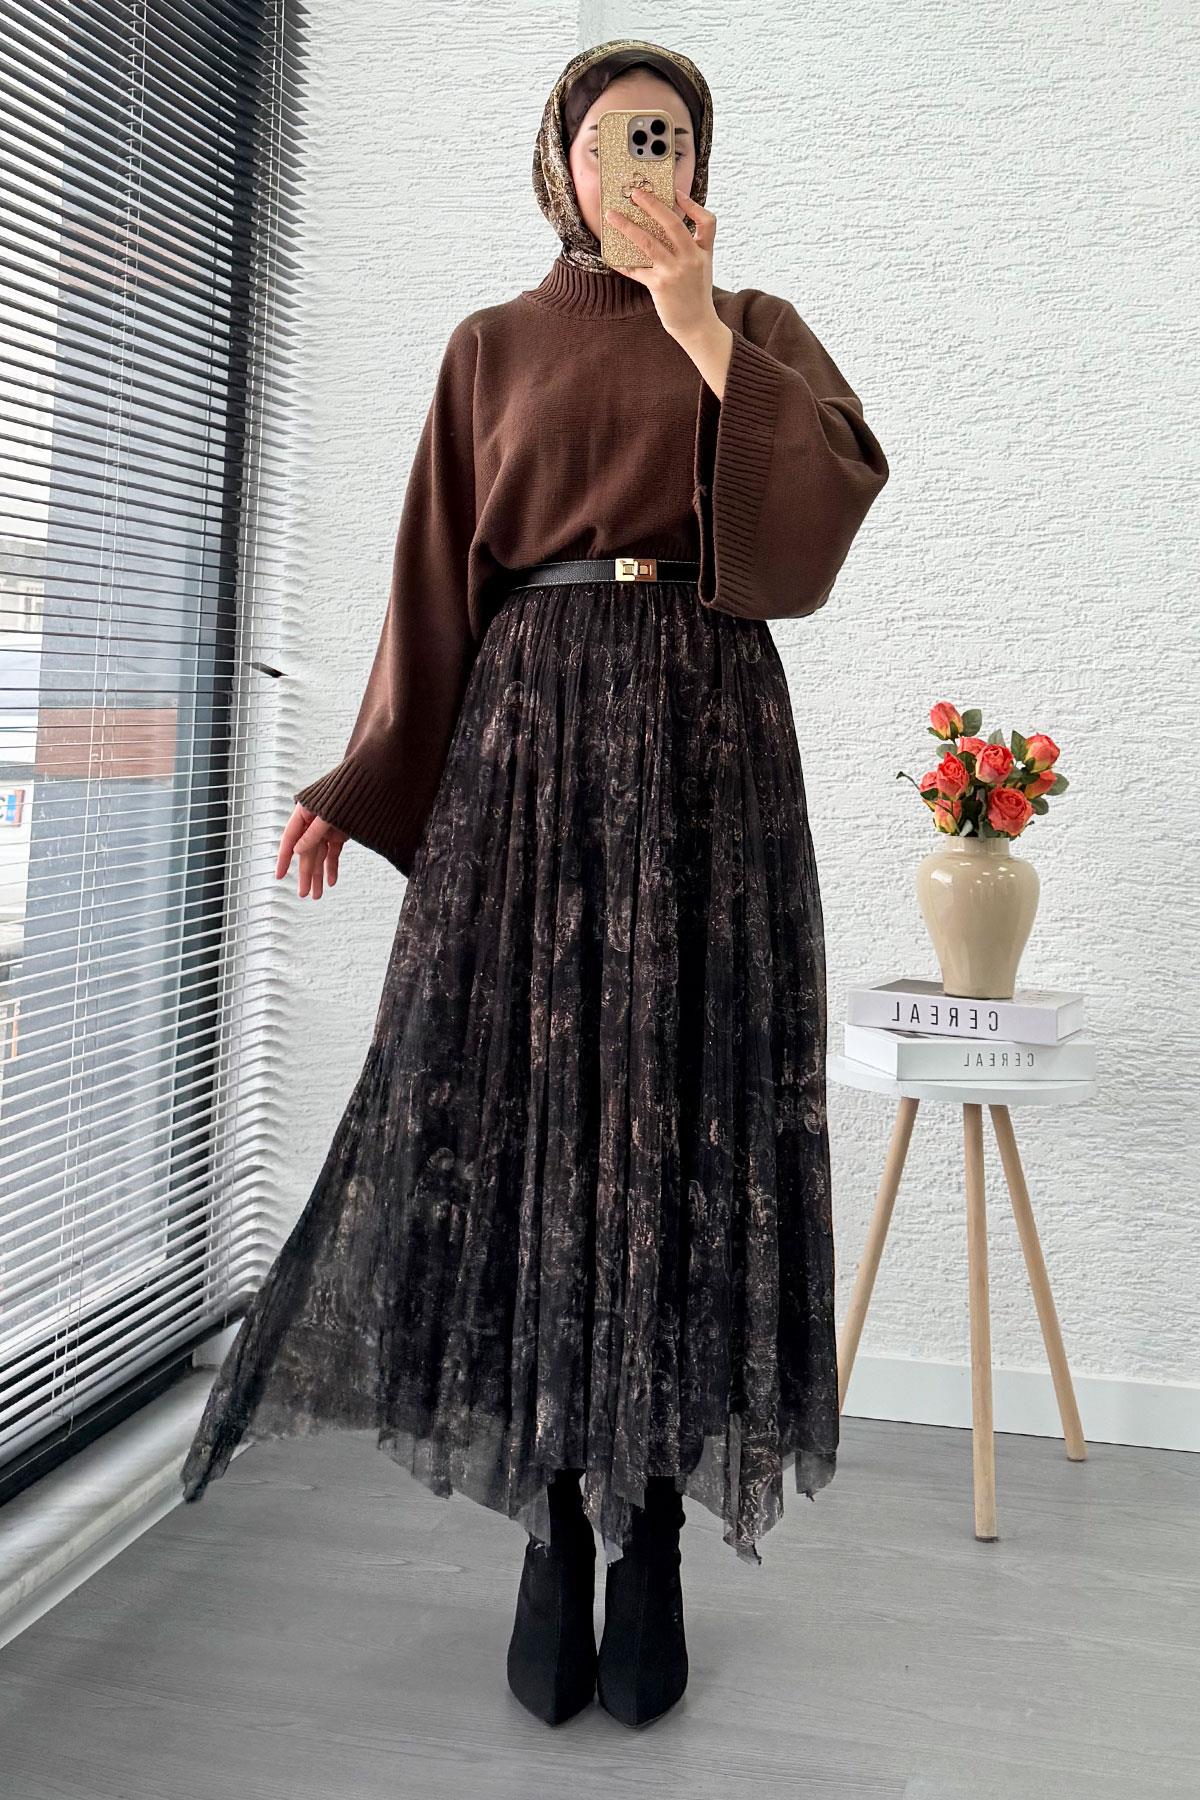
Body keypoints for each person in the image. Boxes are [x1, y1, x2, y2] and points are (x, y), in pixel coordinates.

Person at [179, 38, 890, 1731]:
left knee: (681, 1123)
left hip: (708, 743)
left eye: (674, 136)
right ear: (559, 158)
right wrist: (364, 779)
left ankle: (656, 1531)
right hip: (529, 745)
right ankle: (555, 1525)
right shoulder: (487, 346)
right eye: (616, 136)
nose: (645, 161)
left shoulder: (759, 326)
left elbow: (818, 521)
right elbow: (438, 583)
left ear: (701, 163)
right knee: (535, 1123)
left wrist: (700, 325)